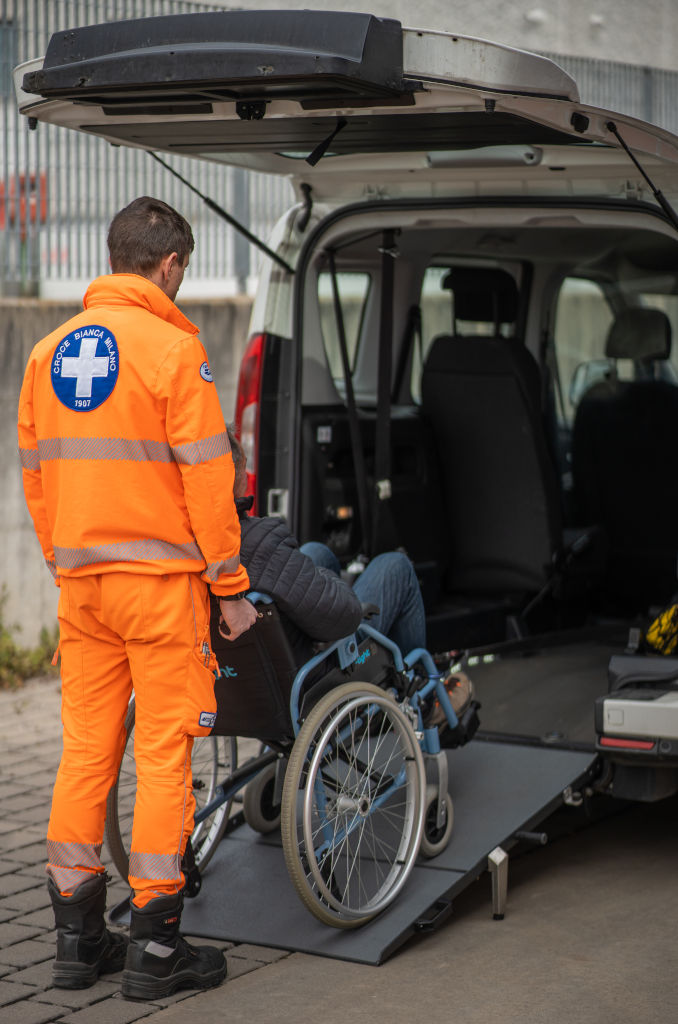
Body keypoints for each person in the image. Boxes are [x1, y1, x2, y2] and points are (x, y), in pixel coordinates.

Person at [17, 197, 256, 1002]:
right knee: (162, 755)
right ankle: (157, 952)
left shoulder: (45, 353)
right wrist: (230, 589)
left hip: (83, 589)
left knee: (86, 751)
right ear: (170, 266)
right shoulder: (175, 354)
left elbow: (36, 476)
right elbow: (209, 483)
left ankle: (77, 945)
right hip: (160, 593)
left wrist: (66, 564)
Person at [226, 427, 473, 718]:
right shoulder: (261, 541)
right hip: (312, 686)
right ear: (237, 474)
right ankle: (417, 695)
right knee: (395, 567)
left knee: (318, 552)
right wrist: (333, 586)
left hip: (240, 687)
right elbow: (343, 618)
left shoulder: (183, 550)